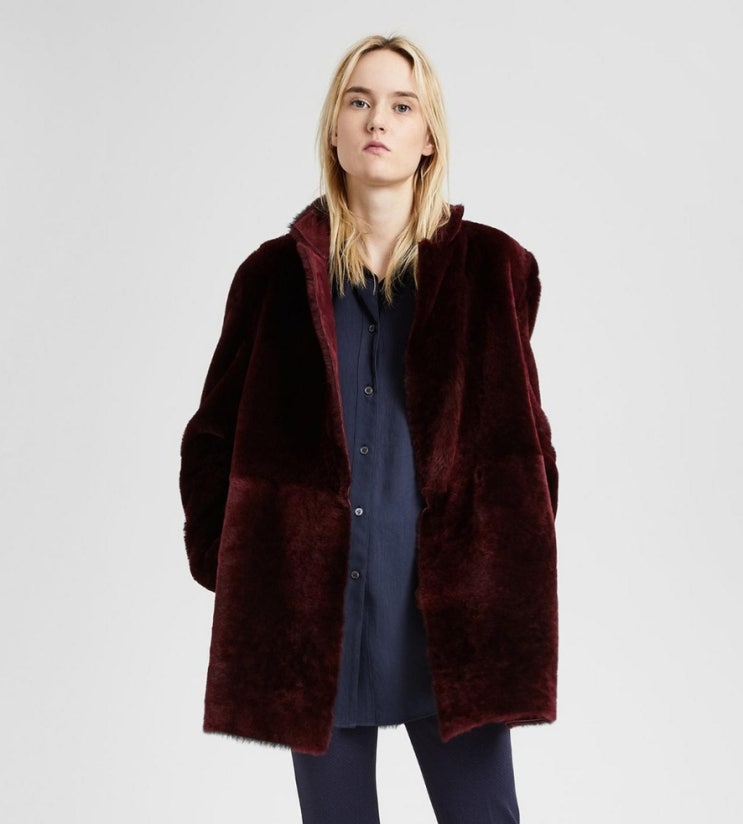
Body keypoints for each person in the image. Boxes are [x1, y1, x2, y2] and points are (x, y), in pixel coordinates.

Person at [179, 34, 558, 824]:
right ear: (334, 129)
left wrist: (500, 562)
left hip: (448, 621)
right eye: (358, 101)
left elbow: (527, 447)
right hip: (316, 621)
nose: (376, 119)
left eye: (400, 104)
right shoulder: (273, 278)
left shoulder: (491, 269)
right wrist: (244, 568)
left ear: (428, 137)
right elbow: (210, 440)